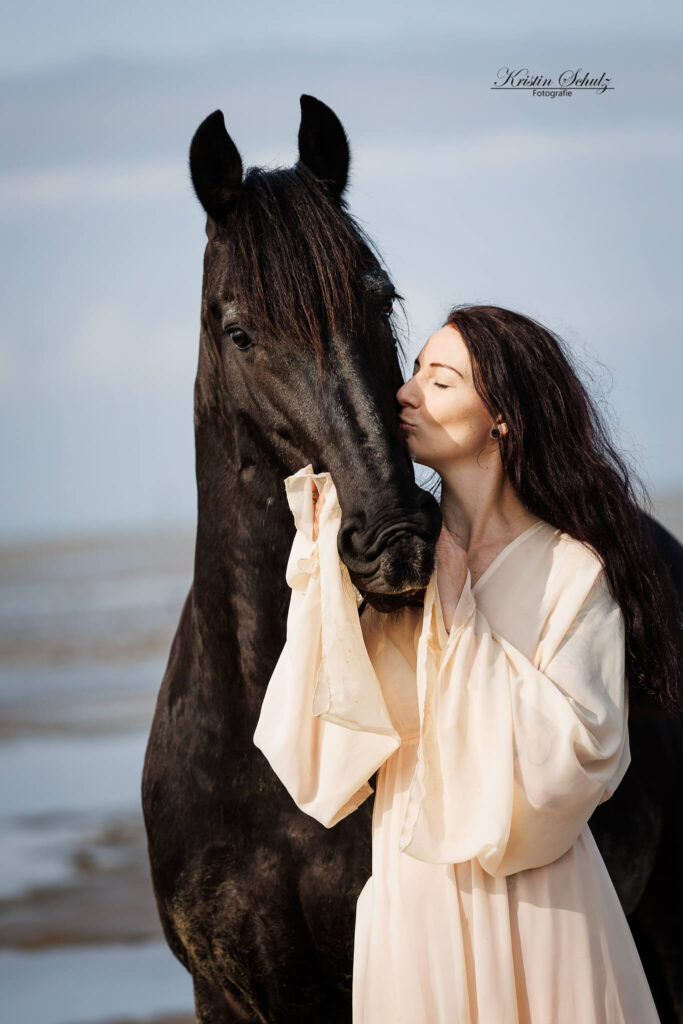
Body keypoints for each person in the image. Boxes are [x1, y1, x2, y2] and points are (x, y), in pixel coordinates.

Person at [253, 304, 677, 1023]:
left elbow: (574, 765)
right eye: (413, 371)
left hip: (540, 915)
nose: (405, 392)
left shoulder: (571, 572)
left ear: (502, 417)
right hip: (409, 909)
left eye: (439, 380)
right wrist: (324, 575)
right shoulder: (394, 576)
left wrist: (460, 608)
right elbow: (319, 751)